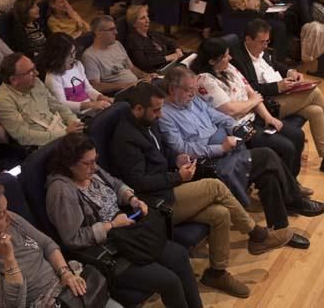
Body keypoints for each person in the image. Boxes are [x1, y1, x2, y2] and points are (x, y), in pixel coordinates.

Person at [111, 83, 294, 295]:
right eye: (156, 110)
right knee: (215, 186)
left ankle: (216, 273)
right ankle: (258, 235)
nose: (160, 115)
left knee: (221, 214)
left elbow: (162, 153)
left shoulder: (147, 122)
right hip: (153, 204)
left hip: (168, 188)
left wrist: (177, 158)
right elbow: (140, 183)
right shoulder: (125, 139)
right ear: (137, 109)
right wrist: (176, 176)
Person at [158, 66, 324, 237]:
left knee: (268, 176)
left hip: (228, 146)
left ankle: (280, 230)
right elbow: (183, 149)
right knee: (267, 155)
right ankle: (294, 200)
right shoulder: (165, 115)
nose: (193, 94)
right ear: (172, 89)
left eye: (194, 90)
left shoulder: (192, 100)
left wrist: (236, 127)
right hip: (210, 161)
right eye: (188, 90)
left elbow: (217, 116)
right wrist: (220, 148)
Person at [46, 134, 203, 308]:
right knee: (169, 281)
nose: (94, 167)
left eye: (95, 160)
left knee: (180, 256)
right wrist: (111, 226)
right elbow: (73, 238)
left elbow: (116, 184)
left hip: (129, 235)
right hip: (111, 252)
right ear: (70, 163)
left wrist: (132, 199)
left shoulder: (92, 171)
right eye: (87, 163)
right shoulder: (61, 191)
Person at [230, 19, 324, 182]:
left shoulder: (262, 51)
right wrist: (277, 87)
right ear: (248, 39)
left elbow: (275, 65)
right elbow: (251, 90)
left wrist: (290, 72)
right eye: (262, 42)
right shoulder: (238, 59)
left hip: (280, 96)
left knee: (316, 111)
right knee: (314, 92)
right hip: (265, 105)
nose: (265, 45)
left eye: (267, 41)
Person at [0, 182, 94, 308]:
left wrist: (66, 274)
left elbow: (47, 244)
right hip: (40, 302)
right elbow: (14, 304)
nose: (9, 216)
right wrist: (8, 259)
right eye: (1, 214)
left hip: (62, 283)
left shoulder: (10, 221)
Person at [192, 38, 306, 179]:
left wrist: (268, 117)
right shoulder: (204, 81)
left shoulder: (229, 68)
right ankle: (287, 189)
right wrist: (252, 101)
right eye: (226, 56)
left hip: (255, 116)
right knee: (286, 147)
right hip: (239, 128)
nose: (230, 58)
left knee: (297, 135)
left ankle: (292, 182)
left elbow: (252, 92)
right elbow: (231, 109)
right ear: (212, 61)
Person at [0, 53, 83, 148]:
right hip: (43, 147)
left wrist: (73, 121)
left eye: (34, 68)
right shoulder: (3, 103)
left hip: (62, 132)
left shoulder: (36, 82)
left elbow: (57, 106)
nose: (37, 73)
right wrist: (64, 133)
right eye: (30, 72)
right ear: (14, 80)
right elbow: (25, 137)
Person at [40, 32, 112, 118]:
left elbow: (88, 89)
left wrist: (100, 97)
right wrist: (91, 105)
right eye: (69, 55)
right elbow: (62, 104)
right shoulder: (53, 77)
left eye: (74, 53)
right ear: (57, 57)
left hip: (91, 110)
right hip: (76, 117)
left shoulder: (78, 65)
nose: (73, 57)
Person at [81, 15, 155, 95]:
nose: (116, 32)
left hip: (136, 87)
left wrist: (146, 76)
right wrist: (125, 86)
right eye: (111, 30)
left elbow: (132, 68)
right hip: (120, 93)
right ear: (98, 33)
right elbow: (95, 86)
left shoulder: (117, 44)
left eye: (115, 28)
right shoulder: (89, 56)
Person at [124, 5, 183, 73]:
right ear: (134, 23)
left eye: (147, 16)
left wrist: (178, 50)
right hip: (156, 70)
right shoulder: (133, 39)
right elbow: (143, 62)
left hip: (168, 63)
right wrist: (167, 58)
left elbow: (171, 41)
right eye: (143, 18)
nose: (148, 20)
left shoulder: (150, 32)